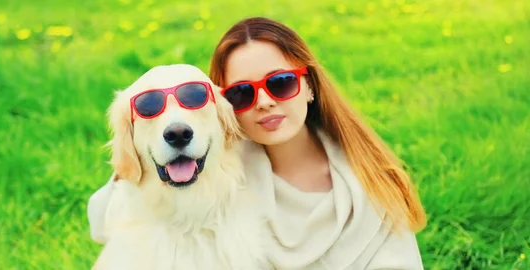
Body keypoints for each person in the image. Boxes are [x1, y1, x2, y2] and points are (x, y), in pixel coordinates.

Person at [87, 17, 427, 269]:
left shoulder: (369, 184)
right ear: (225, 116)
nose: (264, 101)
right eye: (242, 92)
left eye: (280, 83)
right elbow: (118, 215)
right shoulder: (220, 170)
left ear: (309, 87)